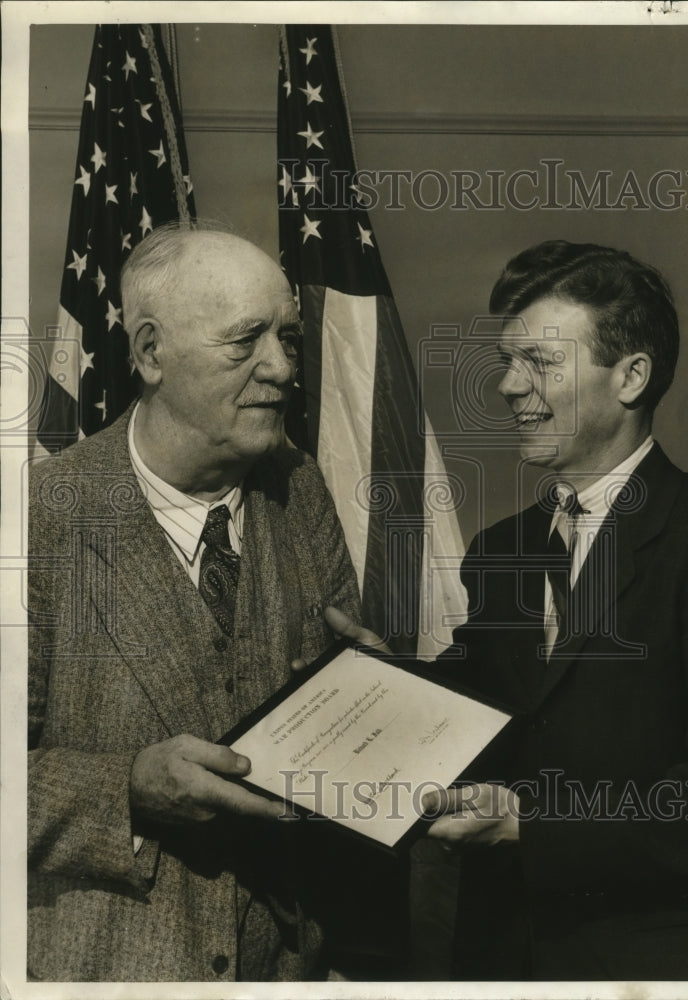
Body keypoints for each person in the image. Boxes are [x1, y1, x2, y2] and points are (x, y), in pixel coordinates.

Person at [417, 240, 688, 980]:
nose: (509, 386)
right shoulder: (498, 550)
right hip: (500, 961)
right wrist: (366, 677)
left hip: (664, 966)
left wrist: (528, 825)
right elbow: (478, 713)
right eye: (508, 361)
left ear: (631, 376)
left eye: (539, 362)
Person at [27, 222, 362, 982]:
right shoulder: (40, 520)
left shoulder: (300, 490)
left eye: (288, 338)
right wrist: (127, 790)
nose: (281, 368)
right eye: (245, 341)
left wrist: (371, 690)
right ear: (149, 353)